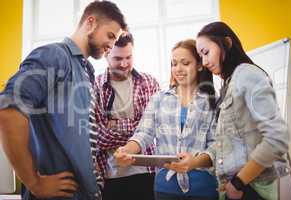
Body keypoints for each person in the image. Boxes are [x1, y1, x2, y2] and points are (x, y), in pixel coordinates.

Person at [0, 1, 127, 199]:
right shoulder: (54, 55)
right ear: (90, 23)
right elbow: (8, 111)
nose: (111, 45)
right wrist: (34, 183)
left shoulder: (87, 71)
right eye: (110, 36)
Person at [166, 22, 290, 200]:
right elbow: (226, 143)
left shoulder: (247, 75)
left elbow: (277, 138)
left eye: (206, 52)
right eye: (201, 56)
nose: (205, 61)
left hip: (251, 187)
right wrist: (194, 161)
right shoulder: (229, 83)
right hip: (235, 187)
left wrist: (238, 182)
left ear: (227, 43)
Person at [114, 39, 219, 200]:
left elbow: (216, 145)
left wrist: (194, 162)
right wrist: (126, 151)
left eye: (185, 63)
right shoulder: (159, 99)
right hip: (166, 188)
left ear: (199, 65)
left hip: (204, 188)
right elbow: (144, 134)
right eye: (174, 63)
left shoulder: (212, 101)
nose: (178, 69)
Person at [94, 33, 160, 200]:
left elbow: (151, 128)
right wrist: (137, 126)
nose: (124, 64)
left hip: (146, 172)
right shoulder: (95, 86)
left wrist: (114, 125)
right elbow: (98, 135)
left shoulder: (149, 82)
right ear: (106, 54)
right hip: (109, 175)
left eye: (128, 57)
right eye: (117, 58)